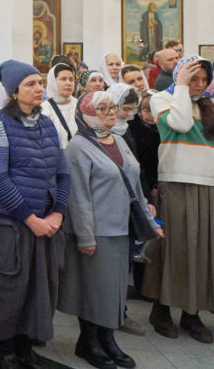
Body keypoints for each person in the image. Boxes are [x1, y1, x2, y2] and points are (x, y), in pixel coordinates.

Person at [59, 92, 161, 368]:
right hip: (97, 231)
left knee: (113, 289)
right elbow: (78, 198)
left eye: (111, 107)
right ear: (87, 115)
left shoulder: (118, 140)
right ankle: (90, 342)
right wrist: (85, 236)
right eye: (101, 108)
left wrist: (150, 222)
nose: (110, 113)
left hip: (121, 228)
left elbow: (135, 186)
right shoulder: (78, 147)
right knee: (94, 290)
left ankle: (106, 339)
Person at [0, 60, 69, 367]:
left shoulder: (47, 124)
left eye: (40, 82)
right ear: (13, 92)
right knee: (6, 288)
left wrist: (58, 212)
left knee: (35, 288)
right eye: (30, 84)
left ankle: (24, 348)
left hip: (44, 220)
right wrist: (30, 219)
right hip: (8, 223)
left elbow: (62, 173)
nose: (38, 88)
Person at [143, 56, 214, 343]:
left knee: (201, 252)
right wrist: (182, 87)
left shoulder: (208, 105)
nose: (200, 84)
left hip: (208, 185)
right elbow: (181, 124)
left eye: (204, 79)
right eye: (193, 77)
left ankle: (191, 312)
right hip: (176, 182)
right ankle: (160, 309)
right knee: (175, 249)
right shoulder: (161, 98)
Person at [41, 62, 78, 149]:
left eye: (71, 79)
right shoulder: (45, 109)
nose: (68, 83)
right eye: (63, 79)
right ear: (53, 82)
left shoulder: (79, 105)